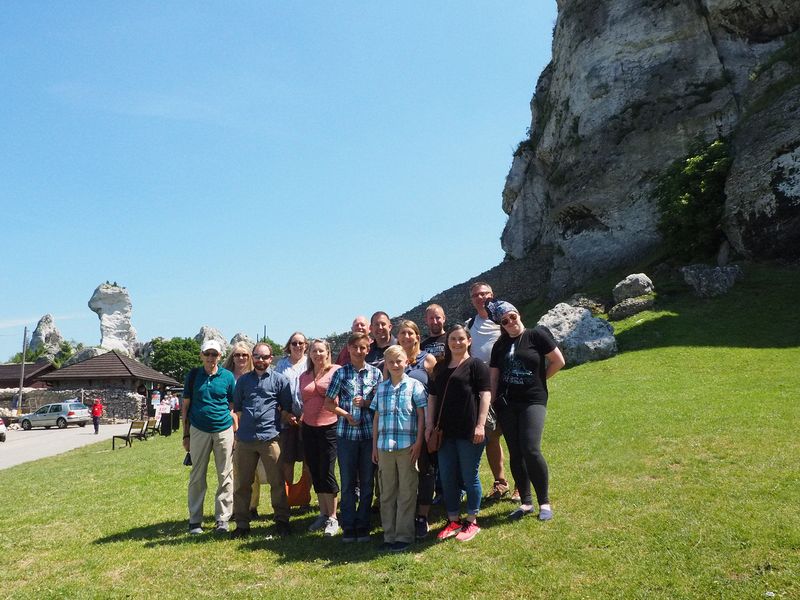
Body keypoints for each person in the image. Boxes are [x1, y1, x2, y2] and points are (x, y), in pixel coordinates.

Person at [487, 300, 565, 522]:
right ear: (501, 324)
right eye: (504, 321)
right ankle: (526, 502)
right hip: (507, 404)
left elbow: (558, 361)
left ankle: (545, 503)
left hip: (533, 400)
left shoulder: (536, 335)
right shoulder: (499, 345)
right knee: (516, 451)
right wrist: (491, 401)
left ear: (518, 314)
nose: (510, 322)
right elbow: (494, 376)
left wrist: (539, 380)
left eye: (512, 317)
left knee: (531, 448)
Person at [427, 325, 491, 542]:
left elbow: (485, 396)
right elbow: (433, 397)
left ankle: (472, 520)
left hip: (468, 429)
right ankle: (453, 519)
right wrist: (429, 426)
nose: (456, 342)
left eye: (461, 338)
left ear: (469, 340)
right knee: (446, 476)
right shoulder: (440, 367)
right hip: (445, 431)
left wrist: (480, 425)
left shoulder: (476, 365)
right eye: (452, 339)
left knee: (468, 475)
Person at [324, 332, 382, 543]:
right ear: (348, 349)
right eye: (355, 347)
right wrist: (346, 414)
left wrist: (366, 404)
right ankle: (348, 525)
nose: (359, 351)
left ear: (368, 349)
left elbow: (380, 404)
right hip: (346, 435)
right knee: (348, 482)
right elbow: (329, 403)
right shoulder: (341, 374)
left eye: (363, 347)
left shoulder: (376, 374)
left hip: (368, 435)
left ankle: (363, 524)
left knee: (367, 482)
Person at [231, 343, 293, 538]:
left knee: (277, 481)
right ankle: (242, 524)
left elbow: (286, 408)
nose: (261, 360)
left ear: (271, 358)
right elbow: (238, 408)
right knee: (242, 484)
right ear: (252, 357)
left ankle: (282, 520)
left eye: (265, 357)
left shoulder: (280, 380)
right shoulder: (243, 382)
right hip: (246, 438)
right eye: (257, 356)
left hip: (270, 437)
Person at [371, 345, 427, 552]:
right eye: (391, 362)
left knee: (407, 490)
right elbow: (376, 417)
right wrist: (374, 446)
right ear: (386, 364)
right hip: (384, 447)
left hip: (407, 446)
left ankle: (404, 535)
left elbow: (422, 415)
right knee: (387, 492)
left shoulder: (415, 386)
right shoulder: (382, 388)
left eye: (399, 361)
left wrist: (419, 442)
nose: (395, 365)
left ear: (407, 362)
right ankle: (389, 535)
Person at [182, 340, 237, 534]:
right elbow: (186, 406)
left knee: (225, 475)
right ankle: (195, 520)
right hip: (198, 429)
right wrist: (185, 434)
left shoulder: (228, 377)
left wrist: (234, 431)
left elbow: (232, 406)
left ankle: (222, 519)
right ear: (201, 355)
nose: (210, 358)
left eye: (214, 354)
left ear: (220, 357)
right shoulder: (193, 375)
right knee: (197, 475)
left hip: (223, 429)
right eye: (207, 354)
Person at [467, 281, 512, 501]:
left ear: (492, 295)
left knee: (515, 437)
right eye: (476, 295)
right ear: (472, 300)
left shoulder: (503, 320)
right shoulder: (470, 325)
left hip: (508, 385)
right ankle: (500, 482)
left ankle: (521, 485)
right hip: (484, 389)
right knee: (492, 437)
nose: (481, 297)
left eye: (484, 293)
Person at [396, 319, 436, 539]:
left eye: (410, 333)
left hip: (423, 422)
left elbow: (435, 390)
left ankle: (422, 516)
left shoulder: (427, 359)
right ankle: (405, 513)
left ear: (417, 336)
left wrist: (432, 424)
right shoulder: (394, 360)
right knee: (404, 472)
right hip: (400, 426)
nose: (406, 337)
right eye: (402, 333)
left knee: (426, 470)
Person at [299, 339, 341, 536]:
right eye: (314, 351)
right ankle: (323, 513)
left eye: (321, 351)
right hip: (308, 427)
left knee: (327, 469)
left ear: (328, 353)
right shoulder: (304, 376)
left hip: (330, 427)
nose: (317, 354)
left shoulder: (336, 371)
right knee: (314, 469)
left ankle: (333, 516)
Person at [275, 332, 310, 490]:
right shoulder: (281, 365)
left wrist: (305, 414)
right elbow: (274, 391)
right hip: (286, 418)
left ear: (306, 345)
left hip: (308, 417)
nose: (297, 346)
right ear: (289, 346)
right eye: (294, 343)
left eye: (300, 343)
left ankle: (303, 497)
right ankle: (287, 497)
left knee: (307, 460)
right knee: (287, 460)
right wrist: (285, 414)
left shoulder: (310, 363)